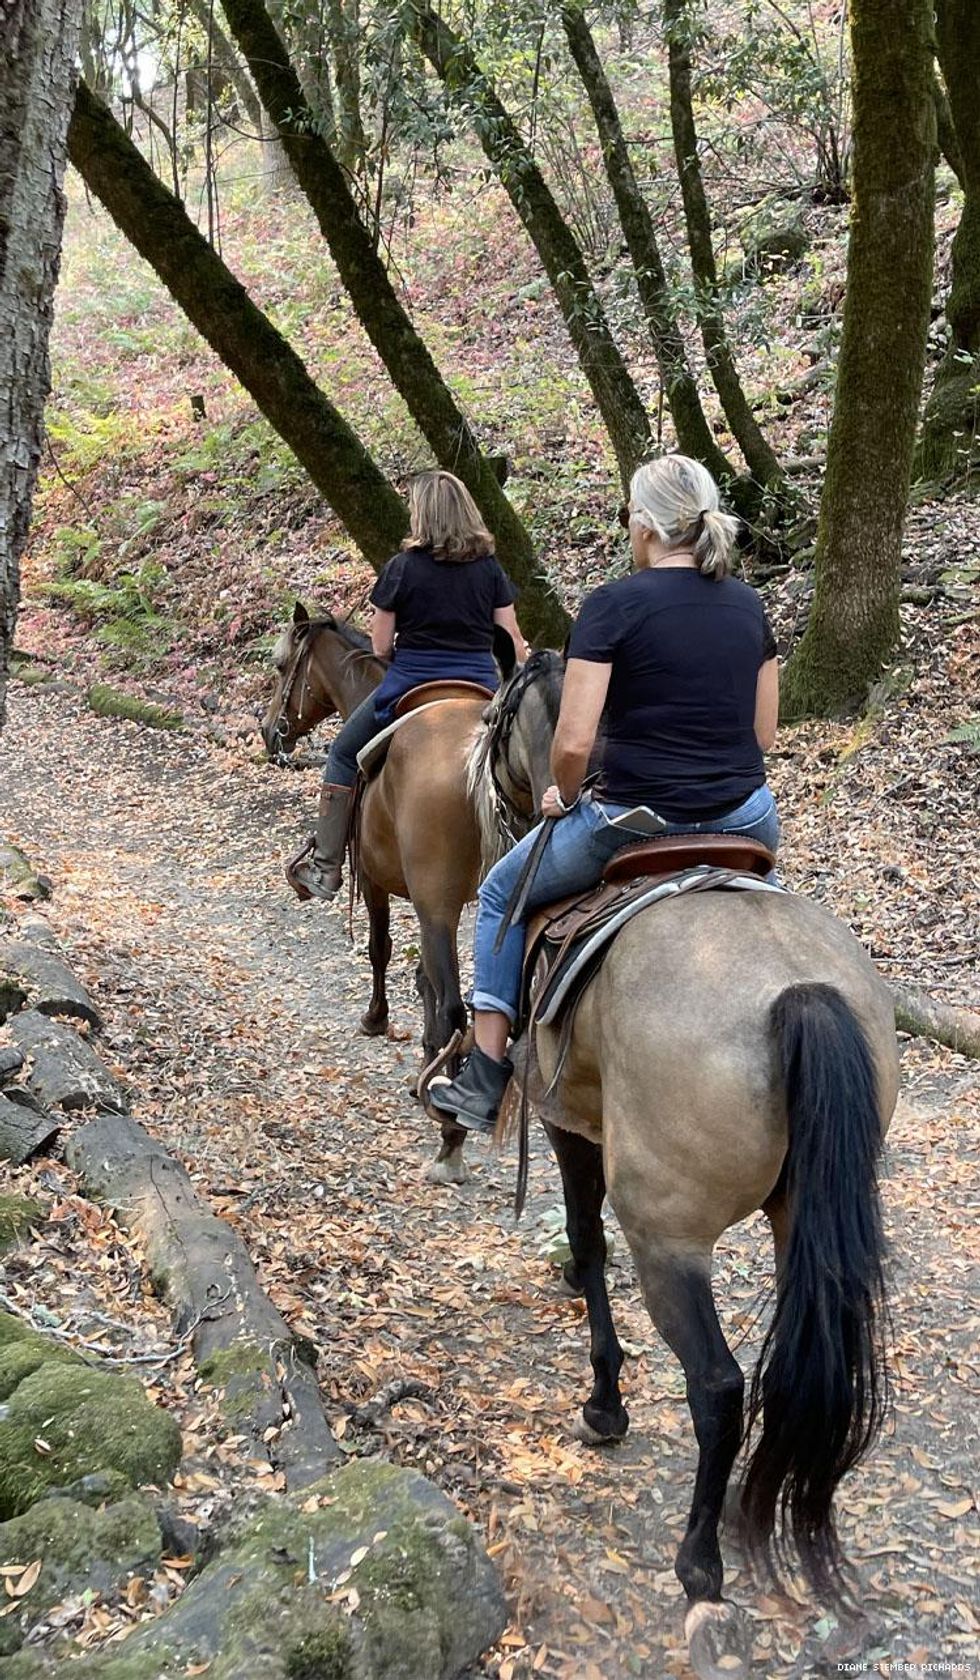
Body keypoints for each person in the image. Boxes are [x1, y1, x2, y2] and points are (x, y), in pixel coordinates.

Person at [431, 452, 780, 1132]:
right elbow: (763, 733)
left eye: (628, 519)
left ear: (646, 527)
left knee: (502, 891)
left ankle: (484, 1073)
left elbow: (570, 744)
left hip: (636, 820)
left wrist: (564, 794)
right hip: (745, 818)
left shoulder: (614, 605)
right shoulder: (746, 603)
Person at [287, 470, 528, 902]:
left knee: (343, 754)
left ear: (424, 515)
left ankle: (324, 865)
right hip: (480, 687)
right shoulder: (490, 570)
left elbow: (379, 645)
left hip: (410, 685)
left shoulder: (401, 569)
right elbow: (513, 643)